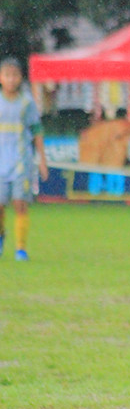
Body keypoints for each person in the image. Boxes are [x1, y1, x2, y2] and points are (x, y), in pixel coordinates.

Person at [0, 58, 48, 262]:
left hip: (21, 161)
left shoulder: (27, 102)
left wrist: (42, 160)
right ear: (1, 78)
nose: (11, 79)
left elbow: (36, 130)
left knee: (20, 203)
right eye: (7, 75)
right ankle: (1, 236)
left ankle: (20, 248)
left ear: (20, 78)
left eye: (14, 75)